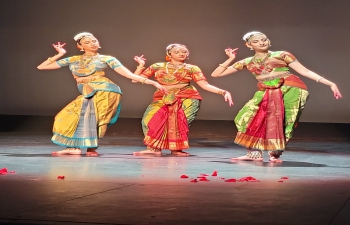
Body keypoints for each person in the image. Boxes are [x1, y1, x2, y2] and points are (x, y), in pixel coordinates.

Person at [211, 31, 342, 162]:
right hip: (267, 90)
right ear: (249, 45)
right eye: (256, 41)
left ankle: (275, 153)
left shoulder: (282, 55)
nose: (261, 43)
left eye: (264, 39)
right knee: (249, 116)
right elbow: (216, 74)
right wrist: (230, 58)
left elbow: (305, 71)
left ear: (269, 41)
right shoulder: (246, 62)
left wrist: (330, 83)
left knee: (285, 121)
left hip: (291, 88)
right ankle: (254, 153)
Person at [37, 32, 167, 156]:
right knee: (70, 116)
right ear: (80, 47)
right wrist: (60, 53)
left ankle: (88, 148)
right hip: (87, 92)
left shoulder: (107, 59)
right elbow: (42, 67)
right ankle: (76, 148)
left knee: (94, 120)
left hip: (106, 91)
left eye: (94, 41)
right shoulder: (73, 59)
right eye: (87, 42)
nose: (92, 43)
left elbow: (128, 75)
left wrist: (153, 83)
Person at [132, 43, 234, 156]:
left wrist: (223, 92)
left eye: (184, 52)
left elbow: (204, 85)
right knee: (149, 120)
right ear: (168, 54)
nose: (181, 53)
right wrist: (140, 65)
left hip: (187, 97)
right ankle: (153, 149)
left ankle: (176, 149)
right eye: (177, 52)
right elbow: (135, 80)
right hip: (163, 97)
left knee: (180, 122)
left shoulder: (192, 68)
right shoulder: (157, 66)